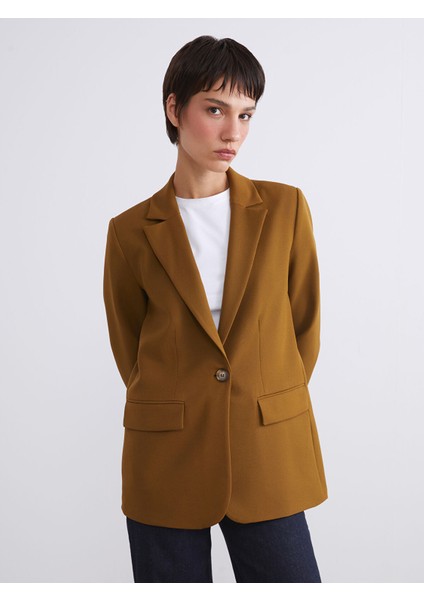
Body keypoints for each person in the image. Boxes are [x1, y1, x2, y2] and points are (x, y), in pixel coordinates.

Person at [103, 34, 328, 583]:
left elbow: (304, 325)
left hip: (265, 446)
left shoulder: (285, 208)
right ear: (174, 109)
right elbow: (130, 347)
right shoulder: (129, 231)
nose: (234, 133)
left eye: (245, 115)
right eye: (215, 110)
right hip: (167, 454)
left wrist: (262, 392)